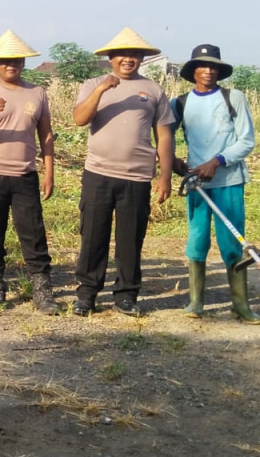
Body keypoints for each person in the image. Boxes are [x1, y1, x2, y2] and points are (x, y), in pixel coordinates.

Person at [71, 27, 175, 316]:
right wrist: (103, 88)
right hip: (98, 172)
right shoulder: (93, 83)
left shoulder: (153, 90)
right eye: (122, 55)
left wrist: (165, 176)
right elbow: (80, 119)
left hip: (137, 176)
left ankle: (126, 296)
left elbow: (164, 135)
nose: (128, 59)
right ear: (111, 57)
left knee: (131, 238)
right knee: (93, 235)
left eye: (134, 55)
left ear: (142, 59)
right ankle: (87, 295)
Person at [0, 30, 57, 313]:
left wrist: (49, 172)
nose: (10, 65)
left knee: (33, 232)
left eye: (16, 60)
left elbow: (46, 135)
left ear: (23, 63)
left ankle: (41, 289)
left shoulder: (37, 93)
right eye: (4, 61)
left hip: (25, 174)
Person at [170, 44, 260, 323]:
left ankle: (240, 304)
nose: (208, 70)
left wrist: (218, 161)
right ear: (192, 71)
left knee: (232, 240)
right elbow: (164, 134)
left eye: (213, 66)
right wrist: (173, 161)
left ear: (219, 71)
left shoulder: (234, 97)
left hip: (228, 181)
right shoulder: (180, 103)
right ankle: (196, 302)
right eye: (202, 66)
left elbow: (246, 140)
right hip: (197, 184)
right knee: (197, 241)